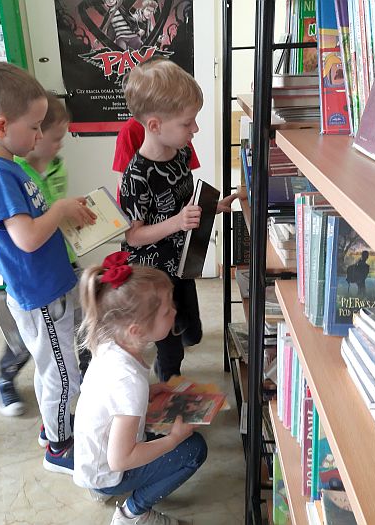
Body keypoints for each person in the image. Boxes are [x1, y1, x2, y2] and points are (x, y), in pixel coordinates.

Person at [0, 60, 96, 473]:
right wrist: (59, 209)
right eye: (34, 127)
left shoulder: (3, 167)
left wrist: (62, 213)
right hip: (40, 295)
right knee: (63, 372)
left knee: (51, 368)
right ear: (2, 126)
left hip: (46, 286)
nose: (40, 136)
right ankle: (59, 447)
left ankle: (52, 426)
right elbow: (26, 238)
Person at [119, 58, 238, 381]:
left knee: (192, 331)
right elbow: (133, 237)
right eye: (188, 123)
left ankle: (170, 362)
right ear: (155, 125)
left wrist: (213, 207)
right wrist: (177, 222)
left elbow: (184, 202)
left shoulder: (181, 154)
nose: (195, 129)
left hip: (183, 261)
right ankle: (168, 385)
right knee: (170, 344)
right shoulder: (136, 176)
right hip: (153, 273)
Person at [73, 252, 207, 525]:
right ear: (136, 330)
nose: (175, 312)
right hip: (110, 469)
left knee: (170, 430)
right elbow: (121, 459)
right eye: (167, 311)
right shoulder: (129, 381)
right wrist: (173, 440)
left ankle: (104, 488)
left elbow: (113, 401)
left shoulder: (110, 341)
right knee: (194, 449)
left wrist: (150, 392)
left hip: (93, 460)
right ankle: (133, 513)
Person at [0, 91, 88, 419]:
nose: (59, 145)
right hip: (34, 277)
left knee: (73, 325)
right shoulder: (9, 173)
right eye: (53, 137)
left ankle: (79, 379)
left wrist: (71, 215)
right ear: (34, 136)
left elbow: (53, 213)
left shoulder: (56, 167)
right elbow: (14, 234)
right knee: (33, 340)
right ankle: (6, 376)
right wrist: (59, 211)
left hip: (62, 260)